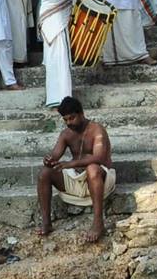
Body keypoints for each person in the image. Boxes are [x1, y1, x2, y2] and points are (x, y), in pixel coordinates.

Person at [36, 96, 112, 243]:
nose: (69, 123)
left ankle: (98, 223)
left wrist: (70, 164)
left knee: (92, 169)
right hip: (77, 181)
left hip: (100, 179)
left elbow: (99, 158)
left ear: (81, 113)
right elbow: (55, 155)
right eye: (66, 120)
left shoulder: (97, 130)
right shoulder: (66, 134)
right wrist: (49, 160)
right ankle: (46, 222)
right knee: (44, 173)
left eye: (72, 118)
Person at [32, 0, 88, 108]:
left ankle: (64, 96)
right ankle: (59, 98)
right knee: (57, 56)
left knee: (62, 56)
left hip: (61, 10)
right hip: (52, 13)